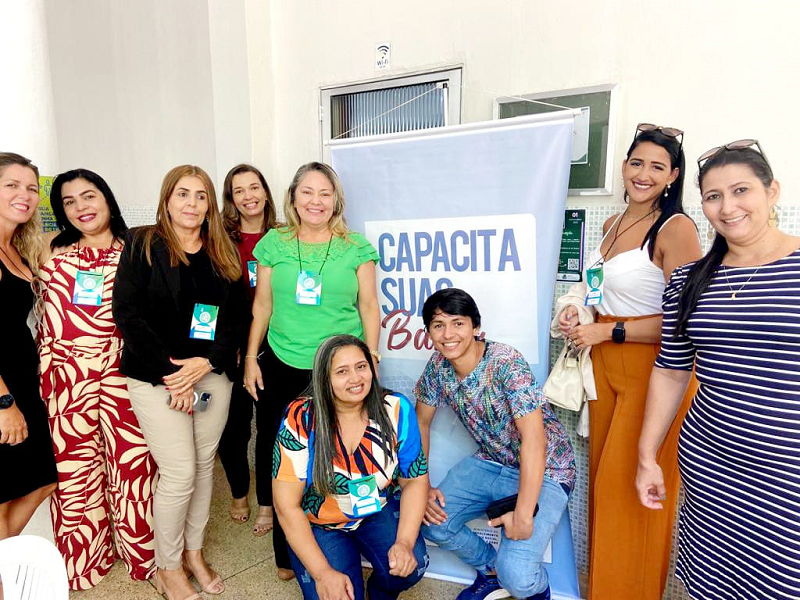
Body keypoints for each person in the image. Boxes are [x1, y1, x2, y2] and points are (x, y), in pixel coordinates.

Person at [636, 140, 800, 600]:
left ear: (772, 191)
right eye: (713, 196)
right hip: (711, 465)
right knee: (715, 584)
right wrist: (648, 456)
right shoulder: (689, 280)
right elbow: (671, 371)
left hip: (788, 473)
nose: (727, 208)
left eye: (741, 190)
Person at [556, 123, 702, 600]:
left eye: (657, 166)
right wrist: (579, 314)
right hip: (604, 369)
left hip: (654, 373)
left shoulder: (676, 228)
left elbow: (687, 319)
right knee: (604, 490)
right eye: (637, 162)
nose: (644, 174)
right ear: (623, 166)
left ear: (673, 175)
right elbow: (601, 293)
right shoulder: (611, 225)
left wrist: (609, 330)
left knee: (630, 497)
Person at [113, 165, 243, 600]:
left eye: (201, 195)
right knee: (179, 472)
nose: (192, 203)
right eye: (183, 194)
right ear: (167, 199)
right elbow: (127, 314)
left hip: (210, 377)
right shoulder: (142, 243)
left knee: (204, 465)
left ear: (210, 204)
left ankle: (194, 553)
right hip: (157, 379)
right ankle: (167, 567)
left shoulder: (222, 249)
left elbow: (236, 317)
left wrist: (206, 363)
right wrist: (175, 377)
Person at [244, 162, 380, 580]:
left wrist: (372, 357)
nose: (316, 201)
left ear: (336, 199)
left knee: (334, 454)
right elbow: (262, 305)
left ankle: (337, 539)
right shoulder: (273, 243)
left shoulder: (356, 247)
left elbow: (368, 306)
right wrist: (250, 358)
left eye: (325, 193)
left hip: (338, 368)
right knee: (282, 458)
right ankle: (287, 554)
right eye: (307, 192)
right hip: (282, 362)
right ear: (293, 197)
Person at [36, 169, 156, 590]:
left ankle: (143, 556)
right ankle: (85, 561)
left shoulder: (138, 249)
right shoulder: (47, 249)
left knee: (133, 468)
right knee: (76, 472)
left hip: (124, 373)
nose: (81, 207)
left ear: (107, 198)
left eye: (88, 196)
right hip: (66, 381)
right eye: (68, 202)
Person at [416, 288, 576, 600]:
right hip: (492, 462)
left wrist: (524, 514)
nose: (448, 334)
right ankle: (492, 571)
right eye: (438, 325)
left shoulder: (505, 362)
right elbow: (421, 422)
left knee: (519, 578)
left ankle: (525, 585)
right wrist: (422, 486)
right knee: (430, 519)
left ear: (475, 327)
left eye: (458, 323)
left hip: (549, 469)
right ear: (429, 333)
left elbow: (534, 439)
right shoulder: (437, 367)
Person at [273, 334, 429, 600]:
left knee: (411, 566)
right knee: (336, 594)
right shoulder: (301, 417)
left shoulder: (396, 409)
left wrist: (404, 542)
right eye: (342, 371)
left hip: (377, 509)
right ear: (324, 379)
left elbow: (414, 479)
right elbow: (286, 506)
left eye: (361, 366)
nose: (356, 378)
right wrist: (323, 573)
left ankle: (379, 593)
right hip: (321, 522)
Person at [216, 164, 278, 535]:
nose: (248, 196)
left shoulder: (284, 236)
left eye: (254, 187)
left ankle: (267, 503)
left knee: (269, 427)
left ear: (265, 192)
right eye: (239, 190)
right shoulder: (220, 239)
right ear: (231, 199)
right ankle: (239, 491)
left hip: (275, 343)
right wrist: (231, 345)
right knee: (233, 427)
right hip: (233, 344)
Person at [0, 152, 57, 540]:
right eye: (12, 185)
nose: (25, 195)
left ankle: (6, 556)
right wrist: (4, 404)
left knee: (43, 478)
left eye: (31, 188)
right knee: (3, 494)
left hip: (23, 382)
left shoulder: (16, 246)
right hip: (4, 390)